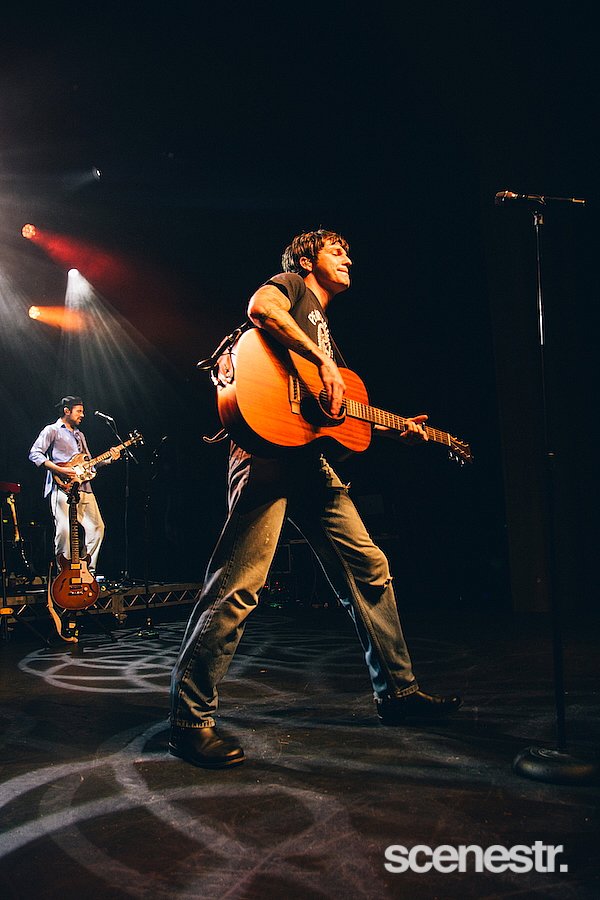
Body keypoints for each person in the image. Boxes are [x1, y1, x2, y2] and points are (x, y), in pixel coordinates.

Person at [169, 229, 462, 769]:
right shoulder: (293, 289)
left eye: (349, 251)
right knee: (238, 585)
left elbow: (338, 415)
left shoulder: (325, 331)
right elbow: (261, 308)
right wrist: (321, 362)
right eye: (336, 250)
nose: (349, 257)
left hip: (307, 460)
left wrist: (396, 427)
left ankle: (398, 694)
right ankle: (189, 721)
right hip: (265, 451)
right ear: (307, 259)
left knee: (369, 568)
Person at [29, 396, 121, 575]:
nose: (82, 415)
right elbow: (35, 453)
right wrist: (59, 470)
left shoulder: (80, 435)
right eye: (79, 411)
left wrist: (110, 459)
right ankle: (65, 575)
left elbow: (90, 465)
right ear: (67, 411)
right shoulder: (52, 430)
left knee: (97, 528)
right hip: (63, 488)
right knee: (64, 531)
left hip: (85, 488)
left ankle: (87, 572)